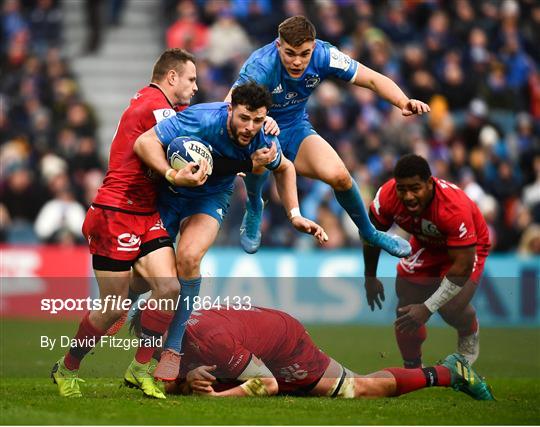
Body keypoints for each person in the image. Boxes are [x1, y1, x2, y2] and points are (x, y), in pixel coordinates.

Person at [50, 49, 274, 399]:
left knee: (169, 288)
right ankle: (67, 366)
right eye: (191, 80)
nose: (196, 88)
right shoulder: (158, 107)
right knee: (112, 305)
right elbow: (200, 122)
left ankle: (141, 366)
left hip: (146, 210)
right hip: (117, 209)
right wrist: (176, 171)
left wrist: (263, 123)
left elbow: (212, 119)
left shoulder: (153, 101)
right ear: (172, 78)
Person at [133, 82, 328, 382]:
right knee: (143, 276)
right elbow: (145, 143)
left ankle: (172, 348)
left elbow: (286, 168)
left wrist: (295, 214)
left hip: (210, 198)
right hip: (170, 194)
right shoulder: (200, 119)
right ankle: (123, 308)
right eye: (244, 118)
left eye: (258, 120)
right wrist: (172, 173)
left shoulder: (263, 138)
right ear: (230, 109)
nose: (250, 127)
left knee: (189, 257)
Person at [227, 15, 430, 256]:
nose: (297, 62)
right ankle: (254, 206)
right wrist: (253, 126)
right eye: (290, 53)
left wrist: (402, 101)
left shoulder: (324, 55)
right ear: (278, 45)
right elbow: (229, 106)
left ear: (313, 47)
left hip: (295, 128)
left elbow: (372, 79)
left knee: (341, 177)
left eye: (304, 54)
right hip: (259, 128)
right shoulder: (261, 65)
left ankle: (370, 233)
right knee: (262, 153)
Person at [128, 306, 494, 400]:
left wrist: (214, 397)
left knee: (359, 389)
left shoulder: (209, 340)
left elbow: (267, 385)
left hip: (285, 346)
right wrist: (187, 381)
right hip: (256, 338)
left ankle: (449, 372)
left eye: (150, 341)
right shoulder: (176, 334)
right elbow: (171, 380)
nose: (149, 349)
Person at [363, 154, 491, 369]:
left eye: (415, 188)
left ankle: (469, 335)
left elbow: (461, 267)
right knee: (405, 304)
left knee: (450, 307)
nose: (408, 196)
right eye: (402, 189)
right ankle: (412, 368)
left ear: (430, 184)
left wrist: (427, 308)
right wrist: (370, 276)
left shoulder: (453, 207)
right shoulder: (386, 197)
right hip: (427, 244)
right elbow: (371, 235)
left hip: (468, 247)